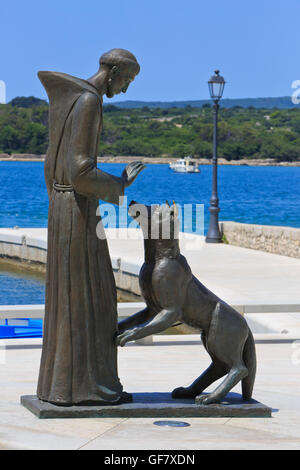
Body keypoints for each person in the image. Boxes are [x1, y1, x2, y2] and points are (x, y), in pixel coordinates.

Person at [37, 49, 144, 405]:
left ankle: (62, 387)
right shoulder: (89, 101)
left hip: (63, 207)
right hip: (79, 211)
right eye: (126, 80)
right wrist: (120, 184)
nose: (125, 89)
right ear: (112, 71)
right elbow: (81, 172)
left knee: (71, 299)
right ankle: (90, 388)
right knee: (93, 300)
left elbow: (52, 165)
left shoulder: (71, 99)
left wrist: (60, 198)